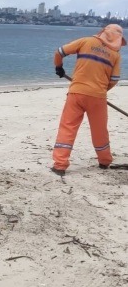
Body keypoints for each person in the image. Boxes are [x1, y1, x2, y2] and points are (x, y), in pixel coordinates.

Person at [51, 24, 126, 176]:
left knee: (68, 127)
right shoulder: (115, 55)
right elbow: (114, 80)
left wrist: (59, 67)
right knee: (100, 130)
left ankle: (60, 165)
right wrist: (101, 90)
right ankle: (104, 162)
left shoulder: (86, 41)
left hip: (76, 93)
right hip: (98, 97)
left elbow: (59, 52)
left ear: (103, 32)